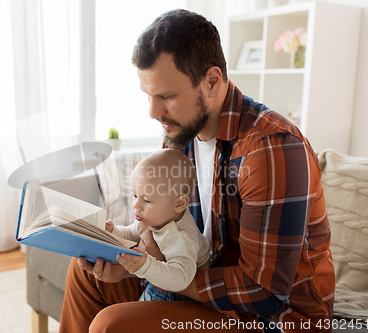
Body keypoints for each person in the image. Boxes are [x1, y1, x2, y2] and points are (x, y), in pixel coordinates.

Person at [59, 9, 334, 333]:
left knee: (112, 325)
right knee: (85, 275)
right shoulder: (179, 139)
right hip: (199, 279)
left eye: (167, 96)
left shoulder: (271, 149)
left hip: (278, 319)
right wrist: (129, 264)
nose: (153, 112)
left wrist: (153, 269)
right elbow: (166, 231)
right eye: (149, 96)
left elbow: (264, 294)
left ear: (212, 82)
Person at [105, 149, 210, 302]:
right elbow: (131, 233)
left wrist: (146, 265)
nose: (136, 206)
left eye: (147, 200)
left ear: (179, 204)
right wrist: (112, 231)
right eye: (135, 195)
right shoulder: (151, 218)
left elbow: (181, 278)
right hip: (157, 282)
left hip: (183, 299)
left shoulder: (181, 237)